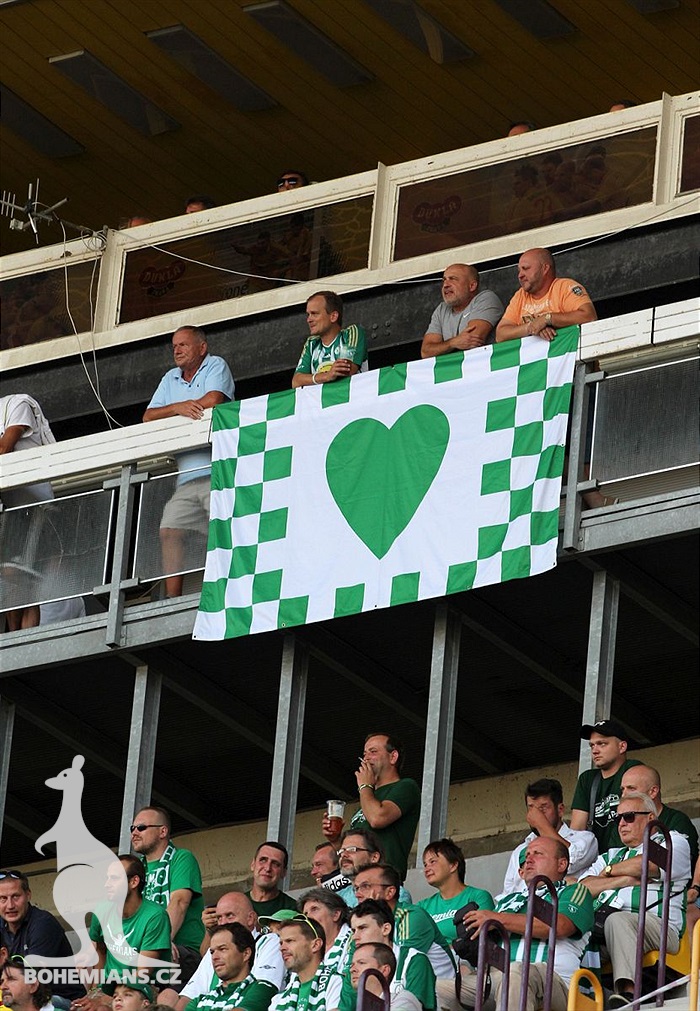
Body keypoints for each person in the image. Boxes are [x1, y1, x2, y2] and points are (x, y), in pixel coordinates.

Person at [143, 326, 234, 598]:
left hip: (217, 472)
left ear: (202, 348)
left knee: (225, 530)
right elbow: (148, 416)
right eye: (174, 346)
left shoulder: (215, 364)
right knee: (169, 530)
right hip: (185, 480)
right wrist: (178, 408)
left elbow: (215, 399)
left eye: (183, 344)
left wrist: (182, 408)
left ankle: (232, 587)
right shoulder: (170, 378)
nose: (177, 350)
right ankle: (172, 600)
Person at [577, 791, 691, 1008]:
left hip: (658, 926)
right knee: (571, 932)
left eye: (628, 816)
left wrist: (607, 872)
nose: (621, 823)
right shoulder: (610, 855)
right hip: (603, 928)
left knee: (618, 920)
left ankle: (628, 994)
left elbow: (648, 864)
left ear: (650, 818)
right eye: (618, 818)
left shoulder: (672, 840)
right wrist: (619, 880)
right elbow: (582, 889)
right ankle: (578, 998)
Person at [461, 837, 594, 1011]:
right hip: (496, 979)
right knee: (437, 989)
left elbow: (560, 926)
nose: (528, 859)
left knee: (516, 973)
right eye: (527, 855)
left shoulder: (574, 891)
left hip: (555, 983)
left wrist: (497, 919)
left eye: (538, 854)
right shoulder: (507, 901)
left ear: (561, 864)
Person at [171, 892, 284, 1011]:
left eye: (230, 916)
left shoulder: (269, 941)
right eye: (219, 918)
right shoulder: (213, 952)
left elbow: (263, 991)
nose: (223, 923)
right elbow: (189, 996)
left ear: (251, 918)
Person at [0, 395, 57, 630]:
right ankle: (15, 637)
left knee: (22, 577)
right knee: (12, 577)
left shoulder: (17, 404)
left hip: (34, 503)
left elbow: (5, 447)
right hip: (12, 506)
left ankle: (23, 636)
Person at [331, 735, 419, 885]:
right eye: (364, 754)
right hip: (356, 883)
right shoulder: (369, 796)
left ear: (393, 757)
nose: (365, 759)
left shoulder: (405, 786)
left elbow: (378, 819)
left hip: (383, 882)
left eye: (373, 752)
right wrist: (334, 838)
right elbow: (355, 850)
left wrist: (364, 786)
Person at [130, 808, 205, 984]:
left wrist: (159, 942)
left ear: (163, 831)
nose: (134, 832)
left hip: (182, 951)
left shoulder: (181, 858)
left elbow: (179, 902)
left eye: (141, 827)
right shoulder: (136, 871)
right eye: (132, 828)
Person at [85, 855, 171, 999]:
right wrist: (95, 990)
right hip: (109, 987)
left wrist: (110, 1000)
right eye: (107, 878)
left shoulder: (155, 916)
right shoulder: (101, 911)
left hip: (145, 987)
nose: (107, 884)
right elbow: (100, 950)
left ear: (134, 882)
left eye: (114, 878)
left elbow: (142, 974)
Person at [352, 866, 455, 981]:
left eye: (365, 886)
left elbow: (401, 964)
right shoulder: (361, 925)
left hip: (439, 987)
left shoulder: (410, 916)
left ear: (390, 892)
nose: (357, 894)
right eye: (356, 888)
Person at [0, 869, 84, 1007]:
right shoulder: (2, 924)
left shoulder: (43, 923)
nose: (10, 905)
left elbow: (30, 978)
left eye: (16, 896)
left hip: (61, 1001)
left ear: (28, 895)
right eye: (3, 898)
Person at [501, 780, 598, 895]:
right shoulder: (520, 851)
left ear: (560, 810)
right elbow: (508, 893)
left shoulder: (584, 839)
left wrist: (542, 825)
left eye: (543, 808)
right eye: (531, 808)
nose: (537, 815)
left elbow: (571, 861)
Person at [338, 900, 436, 1011]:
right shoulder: (355, 969)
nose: (355, 936)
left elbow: (415, 1007)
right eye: (353, 930)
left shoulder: (414, 960)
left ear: (385, 929)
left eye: (362, 928)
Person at [495, 247, 597, 344]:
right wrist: (532, 327)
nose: (520, 275)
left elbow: (589, 316)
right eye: (519, 270)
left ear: (545, 269)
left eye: (526, 268)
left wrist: (548, 319)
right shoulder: (520, 295)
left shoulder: (565, 287)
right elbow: (500, 335)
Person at [570, 720, 642, 853]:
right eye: (592, 746)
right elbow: (577, 831)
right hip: (596, 861)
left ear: (622, 747)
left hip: (627, 854)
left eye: (602, 744)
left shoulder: (632, 769)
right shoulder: (587, 779)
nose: (595, 750)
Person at [184, 923, 277, 1011]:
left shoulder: (263, 989)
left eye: (222, 949)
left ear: (246, 954)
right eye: (212, 952)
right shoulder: (199, 1001)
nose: (214, 957)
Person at [620, 764, 698, 868]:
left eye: (631, 788)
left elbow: (672, 863)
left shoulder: (677, 821)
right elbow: (613, 859)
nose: (624, 795)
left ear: (653, 791)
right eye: (622, 789)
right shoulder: (621, 822)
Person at [420, 264, 504, 359]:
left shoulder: (486, 298)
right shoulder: (441, 310)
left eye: (453, 279)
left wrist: (443, 347)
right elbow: (426, 352)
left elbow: (472, 340)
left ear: (472, 286)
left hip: (488, 367)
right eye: (444, 280)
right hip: (458, 371)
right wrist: (453, 343)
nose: (445, 285)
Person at [417, 839, 493, 942]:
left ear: (453, 865)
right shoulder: (422, 906)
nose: (426, 869)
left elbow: (480, 941)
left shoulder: (478, 897)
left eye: (432, 862)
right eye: (425, 864)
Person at [292, 292, 367, 388]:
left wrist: (316, 378)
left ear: (333, 317)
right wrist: (327, 376)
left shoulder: (351, 333)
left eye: (314, 314)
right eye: (308, 314)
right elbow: (296, 381)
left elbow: (345, 370)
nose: (309, 319)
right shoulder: (311, 343)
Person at [268, 916, 342, 1011]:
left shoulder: (336, 983)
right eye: (281, 943)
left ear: (315, 945)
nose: (282, 948)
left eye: (289, 941)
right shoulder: (278, 1000)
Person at [333, 832, 411, 910]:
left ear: (374, 857)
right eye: (341, 851)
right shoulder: (337, 897)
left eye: (352, 850)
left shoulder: (397, 893)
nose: (344, 855)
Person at [348, 942, 420, 1011]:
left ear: (384, 970)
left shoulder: (404, 999)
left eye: (361, 963)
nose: (352, 969)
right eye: (352, 965)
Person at [299, 890, 351, 974]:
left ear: (335, 914)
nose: (308, 917)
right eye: (305, 914)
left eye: (314, 909)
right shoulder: (306, 949)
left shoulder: (355, 941)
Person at [246, 844, 297, 920]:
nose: (267, 868)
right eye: (263, 860)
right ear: (253, 864)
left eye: (275, 864)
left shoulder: (293, 910)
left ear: (284, 872)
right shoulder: (236, 904)